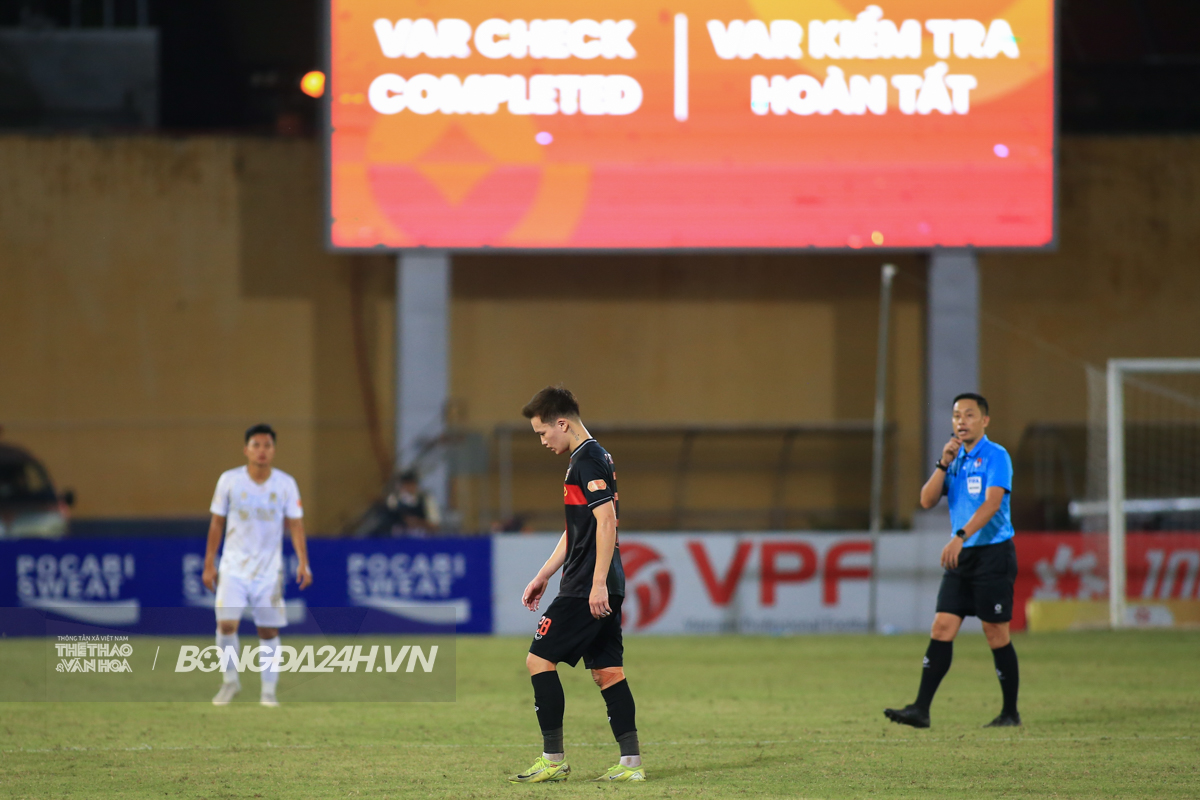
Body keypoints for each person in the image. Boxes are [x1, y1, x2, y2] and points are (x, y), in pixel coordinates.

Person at [509, 386, 645, 783]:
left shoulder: (586, 460)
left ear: (562, 423)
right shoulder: (593, 457)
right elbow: (577, 531)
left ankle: (552, 759)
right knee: (608, 672)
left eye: (542, 432)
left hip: (587, 584)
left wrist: (596, 582)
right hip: (602, 581)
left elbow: (606, 522)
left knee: (538, 660)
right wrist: (544, 574)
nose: (542, 440)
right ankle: (631, 765)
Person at [885, 393, 1021, 729]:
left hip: (993, 554)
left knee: (995, 632)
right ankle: (921, 709)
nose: (962, 421)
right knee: (942, 627)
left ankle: (1010, 712)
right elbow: (926, 500)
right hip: (962, 558)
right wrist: (942, 463)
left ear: (985, 420)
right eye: (957, 415)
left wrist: (960, 536)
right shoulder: (955, 458)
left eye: (970, 415)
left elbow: (992, 504)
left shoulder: (997, 456)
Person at [202, 423, 312, 707]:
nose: (262, 451)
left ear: (274, 450)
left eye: (267, 446)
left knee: (268, 631)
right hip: (233, 568)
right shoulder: (229, 480)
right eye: (256, 445)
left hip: (268, 572)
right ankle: (230, 681)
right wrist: (209, 563)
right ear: (246, 450)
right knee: (226, 625)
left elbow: (296, 525)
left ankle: (268, 691)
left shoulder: (285, 484)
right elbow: (217, 523)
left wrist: (303, 562)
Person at [382, 469, 441, 535]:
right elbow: (385, 524)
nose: (408, 488)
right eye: (405, 484)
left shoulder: (426, 500)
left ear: (416, 485)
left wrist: (418, 522)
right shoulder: (393, 500)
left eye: (411, 484)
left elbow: (436, 526)